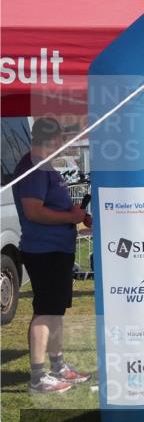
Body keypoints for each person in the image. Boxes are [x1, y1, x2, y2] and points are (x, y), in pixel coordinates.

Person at [12, 118, 91, 394]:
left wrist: (76, 218)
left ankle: (57, 366)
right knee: (45, 311)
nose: (63, 144)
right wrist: (70, 216)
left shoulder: (44, 166)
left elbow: (51, 207)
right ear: (53, 138)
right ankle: (38, 377)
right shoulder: (34, 167)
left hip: (57, 249)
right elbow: (33, 211)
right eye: (61, 138)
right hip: (43, 250)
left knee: (55, 311)